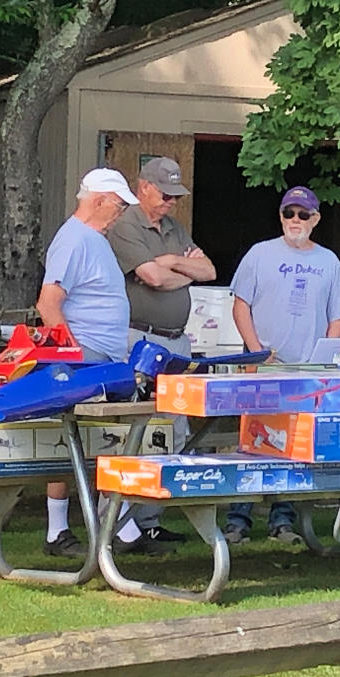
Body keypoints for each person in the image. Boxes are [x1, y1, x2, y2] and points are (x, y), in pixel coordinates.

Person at [223, 185, 340, 544]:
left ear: (315, 219)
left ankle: (283, 521)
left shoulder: (329, 261)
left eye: (303, 214)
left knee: (295, 444)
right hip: (263, 365)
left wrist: (322, 360)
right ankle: (238, 520)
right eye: (289, 213)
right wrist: (255, 352)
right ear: (281, 216)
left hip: (306, 370)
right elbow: (240, 305)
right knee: (252, 440)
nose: (295, 220)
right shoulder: (259, 253)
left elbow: (338, 317)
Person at [107, 156, 216, 544]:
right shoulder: (126, 226)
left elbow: (209, 271)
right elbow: (151, 277)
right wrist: (179, 267)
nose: (171, 201)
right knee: (133, 427)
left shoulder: (173, 227)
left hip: (176, 340)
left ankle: (149, 520)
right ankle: (118, 521)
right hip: (139, 339)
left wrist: (170, 262)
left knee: (172, 428)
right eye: (165, 194)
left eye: (176, 195)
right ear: (144, 188)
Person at [35, 167, 142, 558]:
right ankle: (58, 530)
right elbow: (48, 304)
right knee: (72, 440)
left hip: (105, 356)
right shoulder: (74, 239)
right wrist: (74, 357)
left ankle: (117, 524)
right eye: (118, 205)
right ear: (98, 201)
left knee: (105, 438)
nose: (121, 213)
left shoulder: (93, 239)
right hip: (87, 356)